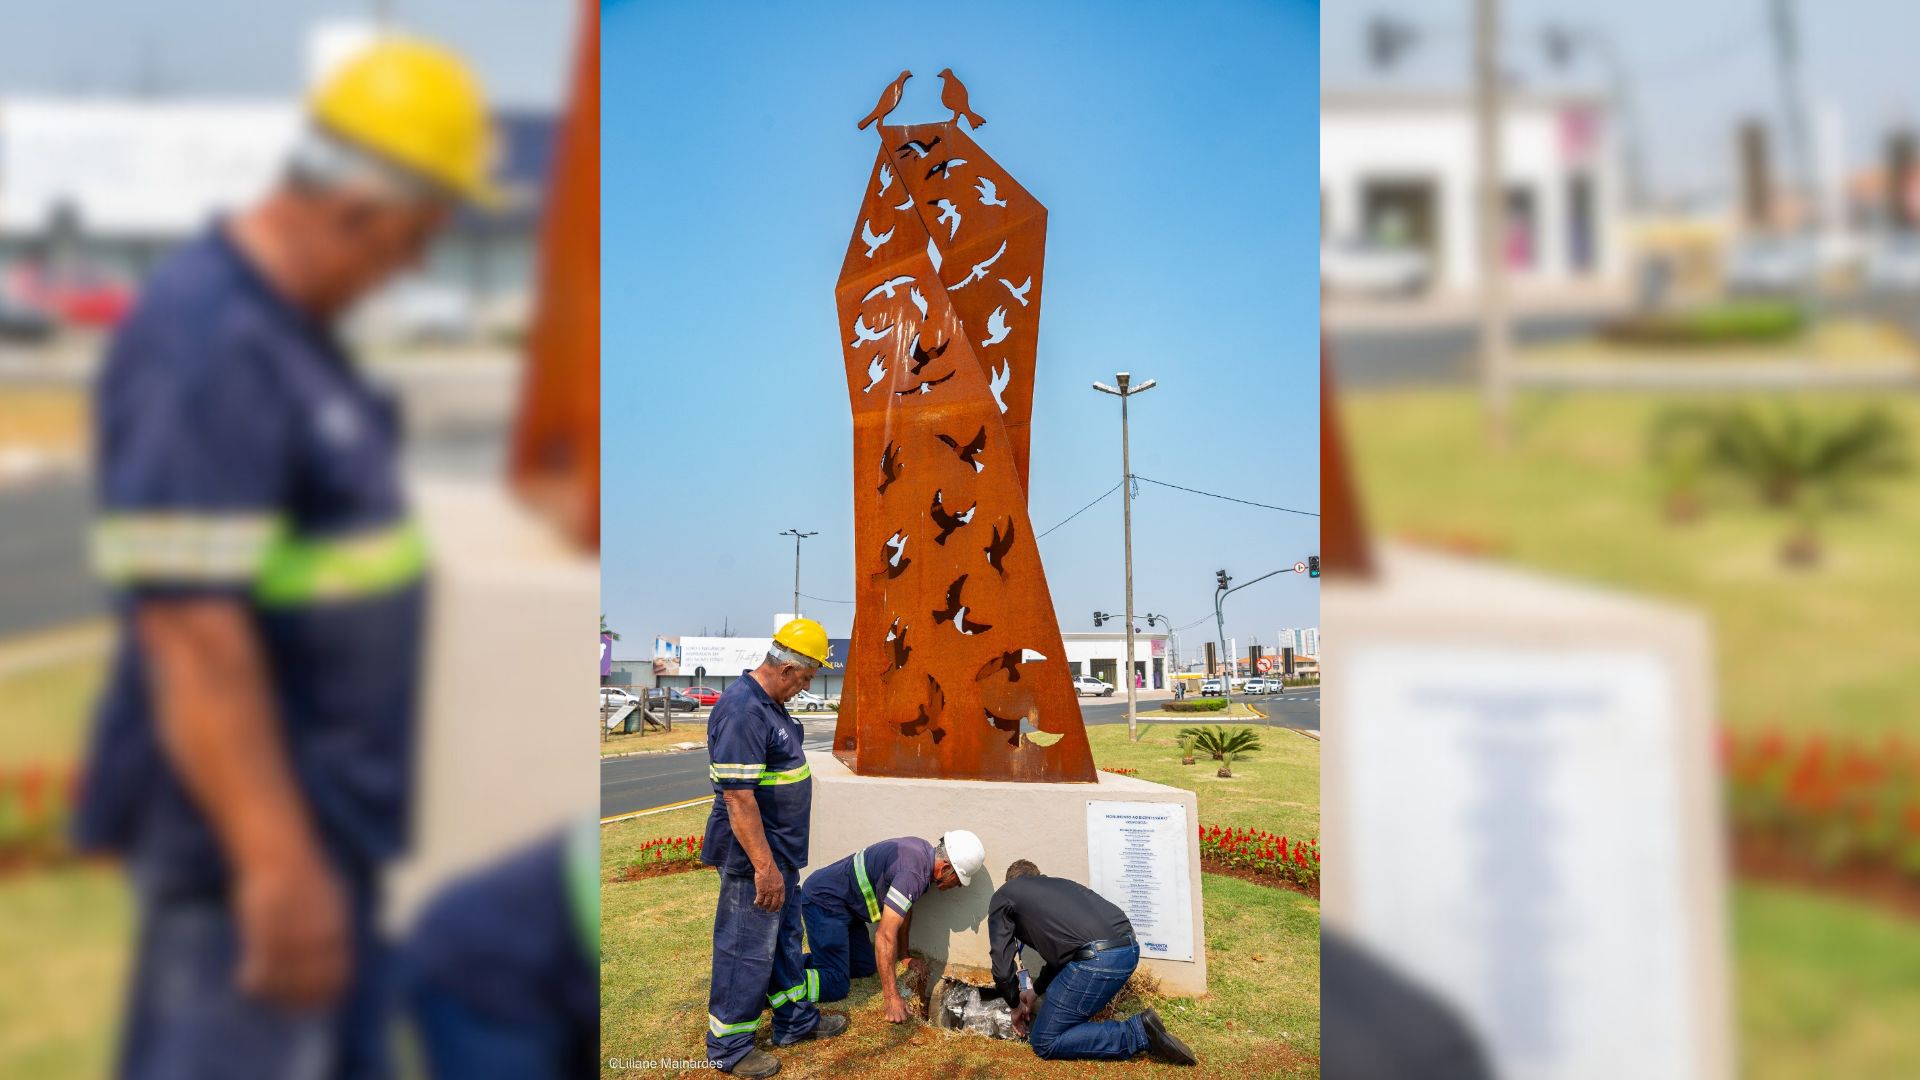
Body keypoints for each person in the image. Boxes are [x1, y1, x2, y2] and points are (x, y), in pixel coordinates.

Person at [73, 35, 496, 1080]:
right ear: (359, 205)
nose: (413, 265)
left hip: (323, 847)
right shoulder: (209, 338)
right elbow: (191, 626)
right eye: (414, 235)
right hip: (242, 876)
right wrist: (276, 866)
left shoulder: (292, 339)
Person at [701, 618, 845, 1077]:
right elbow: (739, 797)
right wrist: (764, 868)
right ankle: (730, 1046)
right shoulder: (743, 711)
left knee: (784, 940)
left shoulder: (770, 706)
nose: (803, 689)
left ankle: (794, 1019)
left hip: (779, 857)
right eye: (803, 680)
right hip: (753, 861)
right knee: (745, 947)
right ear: (786, 670)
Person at [989, 859, 1196, 1065]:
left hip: (1099, 959)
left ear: (1010, 883)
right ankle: (1141, 1031)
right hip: (1128, 949)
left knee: (1044, 1040)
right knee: (1055, 1001)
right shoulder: (1059, 887)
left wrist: (1015, 1006)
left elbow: (1002, 968)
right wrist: (1035, 992)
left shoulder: (1004, 895)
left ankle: (1138, 1034)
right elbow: (1063, 955)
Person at [798, 830, 985, 1020]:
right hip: (824, 903)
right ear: (945, 868)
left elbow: (905, 909)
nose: (959, 886)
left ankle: (796, 964)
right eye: (959, 879)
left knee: (864, 966)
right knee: (836, 984)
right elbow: (884, 936)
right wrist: (892, 998)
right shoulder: (913, 873)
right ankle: (781, 982)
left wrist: (904, 956)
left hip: (846, 908)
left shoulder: (922, 857)